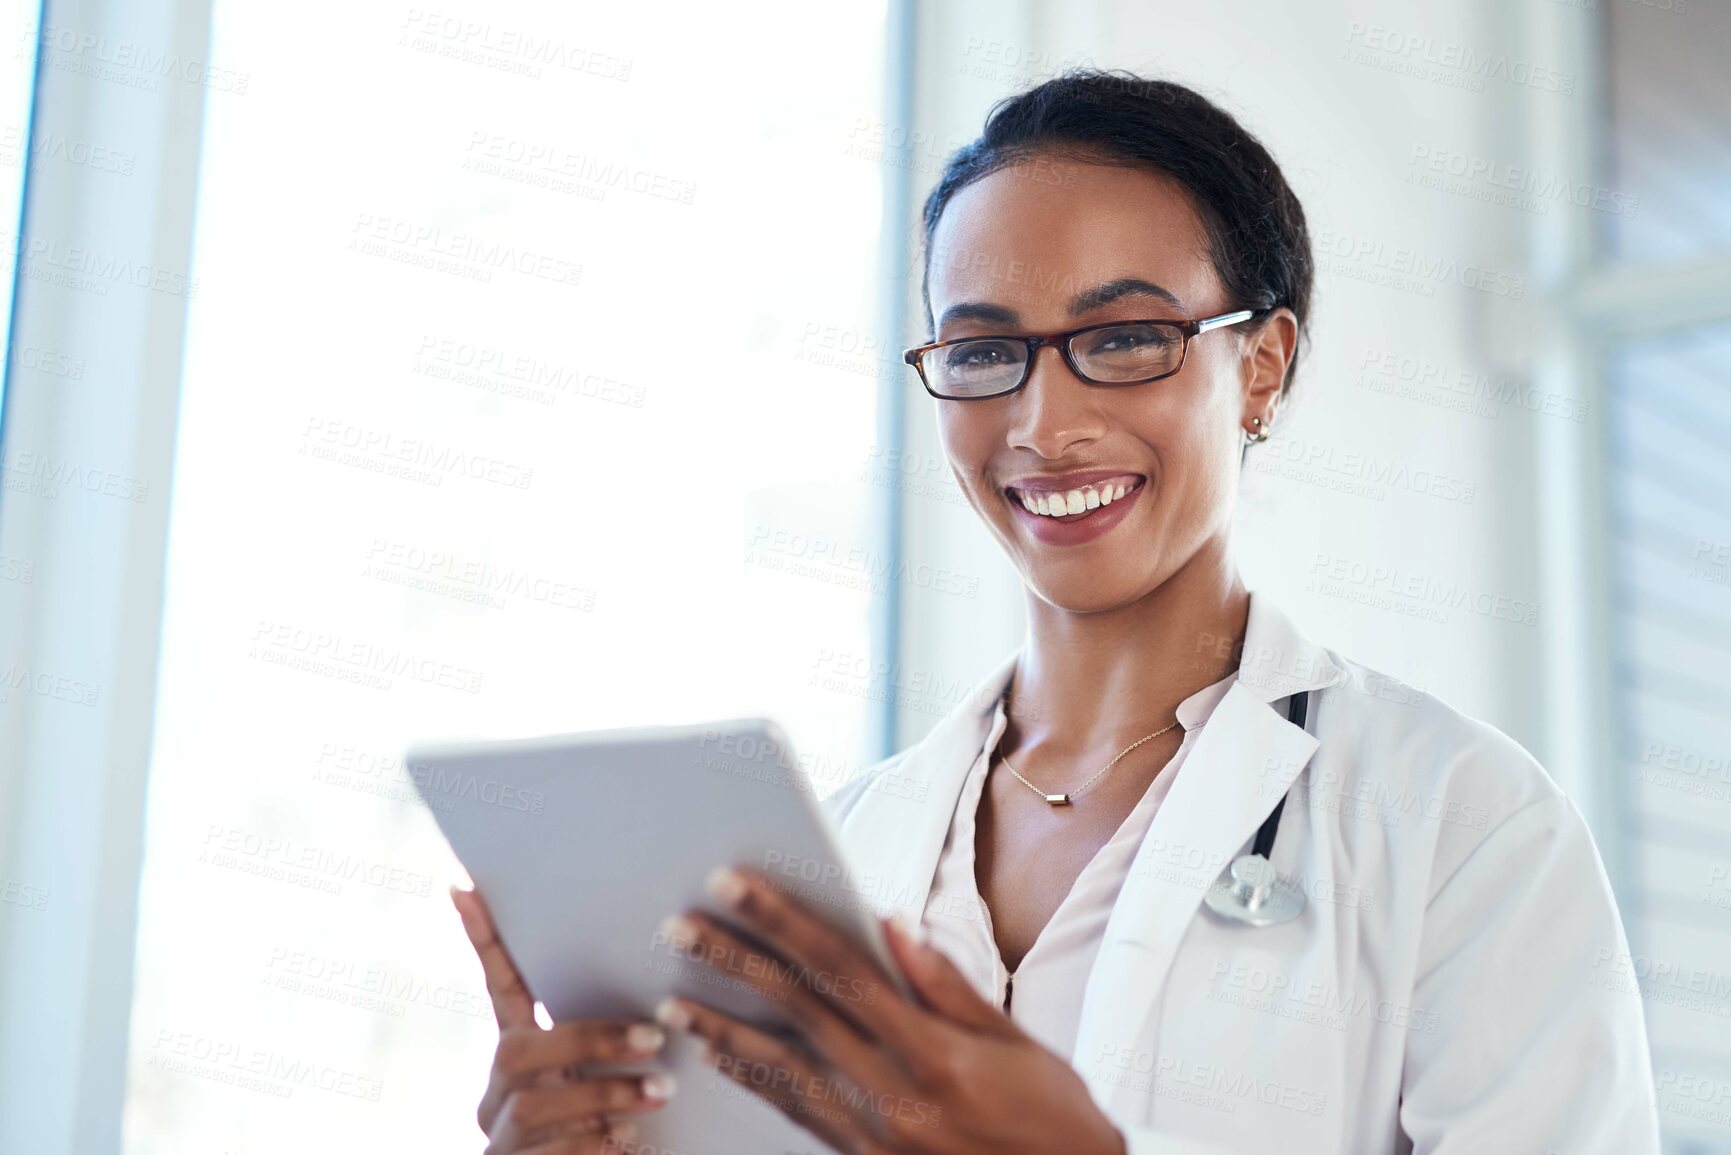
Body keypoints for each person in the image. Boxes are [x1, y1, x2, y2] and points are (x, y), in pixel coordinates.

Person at [452, 68, 1660, 1154]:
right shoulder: (842, 849)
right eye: (985, 354)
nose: (1043, 424)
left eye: (1124, 338)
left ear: (1262, 365)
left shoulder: (1459, 824)